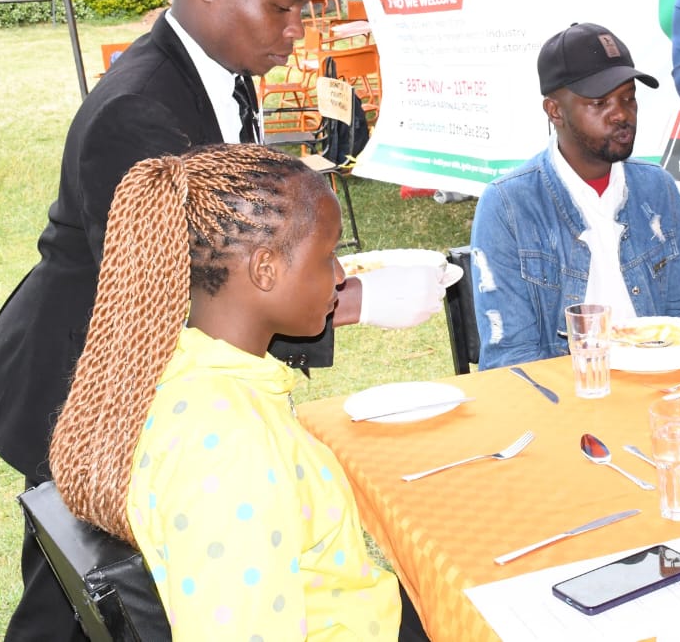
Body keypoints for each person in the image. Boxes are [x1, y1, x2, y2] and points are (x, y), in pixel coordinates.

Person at [0, 0, 444, 641]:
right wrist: (356, 299)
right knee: (79, 595)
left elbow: (241, 244)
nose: (296, 29)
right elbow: (186, 286)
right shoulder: (135, 111)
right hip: (82, 375)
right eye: (281, 7)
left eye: (303, 8)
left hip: (153, 378)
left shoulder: (225, 67)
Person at [48, 144, 427, 641]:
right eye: (327, 256)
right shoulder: (228, 444)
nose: (340, 276)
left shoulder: (187, 367)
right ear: (265, 268)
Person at [471, 22, 680, 368]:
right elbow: (511, 358)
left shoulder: (658, 189)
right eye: (599, 102)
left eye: (628, 98)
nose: (622, 114)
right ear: (555, 111)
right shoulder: (508, 205)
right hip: (568, 391)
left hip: (659, 379)